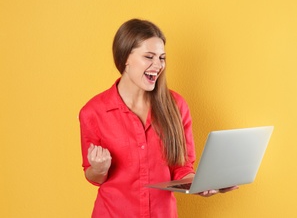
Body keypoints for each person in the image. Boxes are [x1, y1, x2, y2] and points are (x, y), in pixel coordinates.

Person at [79, 19, 237, 218]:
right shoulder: (93, 112)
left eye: (162, 58)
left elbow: (182, 168)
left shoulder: (177, 106)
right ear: (125, 57)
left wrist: (201, 185)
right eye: (149, 56)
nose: (158, 65)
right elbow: (93, 176)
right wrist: (99, 168)